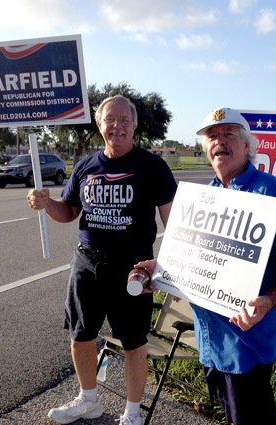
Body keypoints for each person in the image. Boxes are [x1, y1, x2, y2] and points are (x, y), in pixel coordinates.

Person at [137, 107, 276, 424]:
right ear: (206, 148)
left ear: (247, 145)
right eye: (212, 137)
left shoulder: (269, 191)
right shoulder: (204, 197)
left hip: (248, 340)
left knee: (251, 415)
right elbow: (192, 261)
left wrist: (269, 299)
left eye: (229, 134)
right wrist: (160, 270)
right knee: (231, 412)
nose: (220, 142)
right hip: (211, 339)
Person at [27, 94, 177, 425]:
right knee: (80, 334)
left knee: (133, 340)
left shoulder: (153, 167)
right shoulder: (85, 166)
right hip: (86, 264)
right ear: (100, 124)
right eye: (111, 119)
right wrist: (47, 203)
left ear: (135, 125)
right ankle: (88, 400)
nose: (118, 126)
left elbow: (175, 225)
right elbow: (69, 213)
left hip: (132, 268)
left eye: (125, 120)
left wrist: (166, 270)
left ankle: (134, 412)